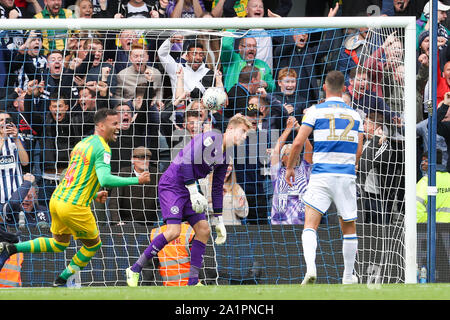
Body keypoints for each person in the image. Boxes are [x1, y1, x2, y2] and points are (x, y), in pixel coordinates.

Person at [0, 108, 151, 287]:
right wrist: (137, 179)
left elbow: (72, 176)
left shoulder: (83, 144)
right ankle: (62, 279)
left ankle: (12, 248)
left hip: (57, 200)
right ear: (101, 126)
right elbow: (105, 179)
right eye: (114, 124)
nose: (118, 127)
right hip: (74, 205)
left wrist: (93, 194)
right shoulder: (103, 148)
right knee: (93, 245)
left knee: (59, 244)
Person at [125, 114, 253, 287]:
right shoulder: (212, 137)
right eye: (243, 131)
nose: (245, 136)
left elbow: (216, 188)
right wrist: (193, 191)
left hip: (188, 189)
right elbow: (186, 161)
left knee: (204, 229)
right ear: (230, 129)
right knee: (173, 231)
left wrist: (219, 219)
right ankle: (134, 269)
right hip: (172, 185)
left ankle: (193, 281)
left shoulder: (226, 155)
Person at [285, 70, 364, 285]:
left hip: (321, 174)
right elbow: (359, 148)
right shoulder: (356, 115)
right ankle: (348, 276)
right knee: (348, 226)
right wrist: (350, 162)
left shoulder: (314, 111)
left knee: (310, 225)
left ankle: (311, 268)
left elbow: (299, 142)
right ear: (345, 89)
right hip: (345, 175)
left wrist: (290, 167)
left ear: (324, 87)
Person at [270, 116, 312, 225]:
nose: (293, 156)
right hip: (280, 224)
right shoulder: (277, 172)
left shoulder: (304, 169)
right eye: (288, 154)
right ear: (282, 158)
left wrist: (299, 128)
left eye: (295, 154)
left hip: (301, 224)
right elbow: (276, 150)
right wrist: (288, 128)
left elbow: (309, 149)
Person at [108, 146, 160, 225]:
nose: (145, 161)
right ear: (132, 160)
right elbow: (114, 201)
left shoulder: (156, 174)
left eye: (147, 158)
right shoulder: (124, 173)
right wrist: (117, 221)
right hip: (125, 222)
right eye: (141, 158)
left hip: (149, 223)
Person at [149, 221, 196, 286]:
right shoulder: (191, 231)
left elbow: (150, 265)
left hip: (168, 287)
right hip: (193, 286)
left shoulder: (156, 233)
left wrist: (144, 285)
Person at [0, 112, 29, 206]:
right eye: (1, 120)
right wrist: (3, 138)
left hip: (16, 194)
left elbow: (25, 162)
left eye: (7, 120)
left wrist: (16, 139)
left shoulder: (17, 137)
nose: (4, 123)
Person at [416, 149, 450, 223]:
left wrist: (416, 227)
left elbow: (417, 207)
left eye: (426, 161)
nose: (422, 163)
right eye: (422, 161)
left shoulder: (425, 181)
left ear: (433, 162)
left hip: (428, 229)